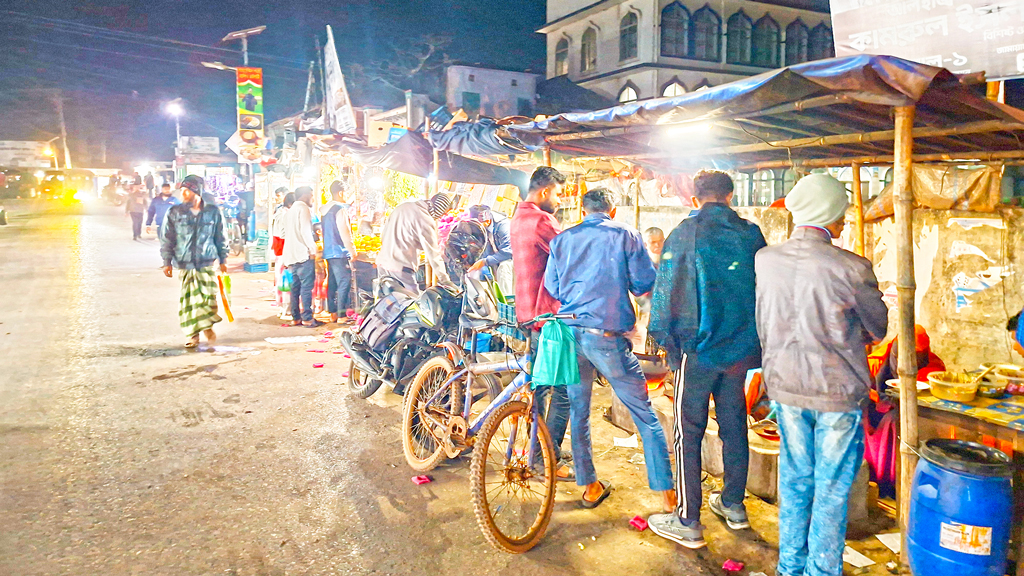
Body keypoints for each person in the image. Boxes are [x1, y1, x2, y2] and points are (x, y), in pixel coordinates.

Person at [755, 174, 887, 576]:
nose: (844, 221)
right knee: (831, 488)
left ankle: (790, 567)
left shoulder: (766, 260)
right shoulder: (853, 267)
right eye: (841, 214)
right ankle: (821, 570)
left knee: (796, 480)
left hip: (785, 388)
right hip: (836, 392)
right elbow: (878, 327)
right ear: (829, 216)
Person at [646, 170, 767, 549]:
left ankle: (688, 520)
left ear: (695, 198)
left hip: (696, 351)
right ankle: (733, 505)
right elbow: (761, 289)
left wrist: (666, 342)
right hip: (738, 352)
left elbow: (666, 292)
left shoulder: (683, 233)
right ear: (730, 195)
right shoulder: (751, 234)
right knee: (734, 426)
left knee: (688, 432)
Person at [544, 188, 674, 510]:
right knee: (644, 414)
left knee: (579, 412)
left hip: (571, 334)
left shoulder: (562, 239)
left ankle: (589, 487)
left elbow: (553, 287)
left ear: (581, 209)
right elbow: (644, 283)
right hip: (607, 338)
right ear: (612, 210)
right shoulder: (625, 234)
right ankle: (669, 497)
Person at [511, 166, 572, 480]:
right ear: (546, 192)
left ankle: (539, 450)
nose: (560, 201)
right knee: (562, 391)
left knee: (541, 388)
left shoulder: (518, 218)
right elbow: (571, 257)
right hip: (547, 318)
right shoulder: (542, 221)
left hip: (527, 314)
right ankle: (546, 457)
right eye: (559, 194)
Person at [159, 175, 229, 348]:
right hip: (185, 263)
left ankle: (208, 327)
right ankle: (193, 335)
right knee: (189, 302)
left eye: (187, 191)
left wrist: (223, 259)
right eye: (182, 191)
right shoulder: (174, 212)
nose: (183, 195)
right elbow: (167, 238)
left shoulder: (213, 212)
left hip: (206, 262)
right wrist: (166, 261)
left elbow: (220, 236)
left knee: (208, 299)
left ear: (196, 192)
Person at [376, 192, 454, 292]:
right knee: (413, 303)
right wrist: (445, 280)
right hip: (401, 267)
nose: (440, 217)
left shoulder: (402, 207)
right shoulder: (424, 218)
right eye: (442, 213)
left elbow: (383, 235)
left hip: (382, 263)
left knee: (387, 300)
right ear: (440, 209)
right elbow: (432, 253)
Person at [282, 186, 320, 327]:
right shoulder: (303, 208)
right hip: (303, 254)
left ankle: (295, 317)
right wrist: (312, 249)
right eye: (311, 195)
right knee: (306, 287)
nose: (312, 198)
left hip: (291, 255)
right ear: (304, 196)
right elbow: (305, 231)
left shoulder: (289, 211)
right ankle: (307, 318)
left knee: (295, 288)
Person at [322, 180, 358, 323]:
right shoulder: (339, 209)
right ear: (341, 193)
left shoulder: (325, 210)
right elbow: (345, 233)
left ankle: (333, 313)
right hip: (339, 251)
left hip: (329, 251)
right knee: (344, 281)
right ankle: (342, 315)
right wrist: (352, 250)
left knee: (332, 282)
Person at [466, 205, 512, 273]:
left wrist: (485, 262)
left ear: (487, 221)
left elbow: (508, 252)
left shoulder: (504, 226)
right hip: (497, 258)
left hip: (513, 260)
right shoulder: (485, 228)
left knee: (504, 267)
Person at [271, 189, 292, 314]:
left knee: (282, 278)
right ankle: (286, 307)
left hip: (281, 250)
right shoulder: (284, 214)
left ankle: (284, 306)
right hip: (284, 250)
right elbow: (283, 234)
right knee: (286, 280)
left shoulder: (280, 212)